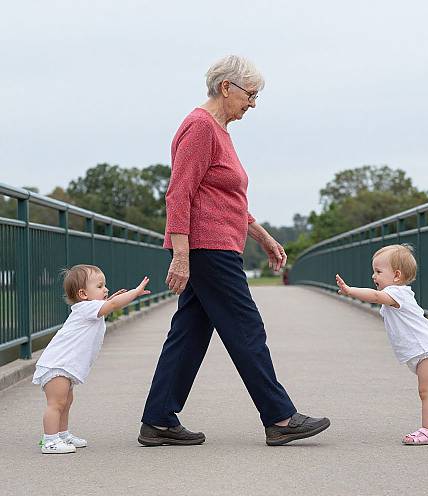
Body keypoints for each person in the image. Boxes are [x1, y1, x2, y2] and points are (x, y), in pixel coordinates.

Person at [139, 55, 330, 447]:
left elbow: (225, 198)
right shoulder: (200, 127)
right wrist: (180, 254)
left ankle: (158, 418)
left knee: (189, 334)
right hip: (207, 249)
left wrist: (261, 234)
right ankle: (279, 418)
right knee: (246, 329)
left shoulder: (220, 131)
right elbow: (179, 193)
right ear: (227, 87)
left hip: (219, 244)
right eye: (251, 94)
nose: (253, 104)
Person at [335, 244, 428, 446]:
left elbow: (376, 296)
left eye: (378, 272)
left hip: (427, 351)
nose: (373, 276)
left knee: (426, 391)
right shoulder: (399, 294)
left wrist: (350, 290)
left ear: (396, 276)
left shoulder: (397, 294)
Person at [33, 265, 150, 454]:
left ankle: (62, 434)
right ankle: (50, 440)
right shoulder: (85, 308)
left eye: (105, 286)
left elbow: (109, 305)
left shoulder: (87, 308)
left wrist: (112, 300)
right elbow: (111, 306)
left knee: (66, 401)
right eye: (100, 286)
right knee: (56, 404)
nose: (106, 289)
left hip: (64, 366)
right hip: (57, 365)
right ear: (83, 293)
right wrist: (134, 293)